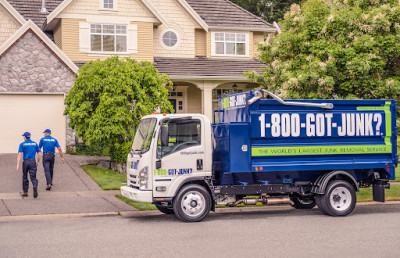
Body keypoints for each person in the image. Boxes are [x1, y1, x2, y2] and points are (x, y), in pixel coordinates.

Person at [17, 132, 41, 198]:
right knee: (33, 177)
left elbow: (19, 154)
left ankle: (25, 192)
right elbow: (39, 154)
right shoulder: (35, 144)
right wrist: (38, 161)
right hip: (33, 161)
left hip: (25, 162)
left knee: (25, 176)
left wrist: (18, 164)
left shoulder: (22, 144)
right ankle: (35, 185)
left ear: (24, 137)